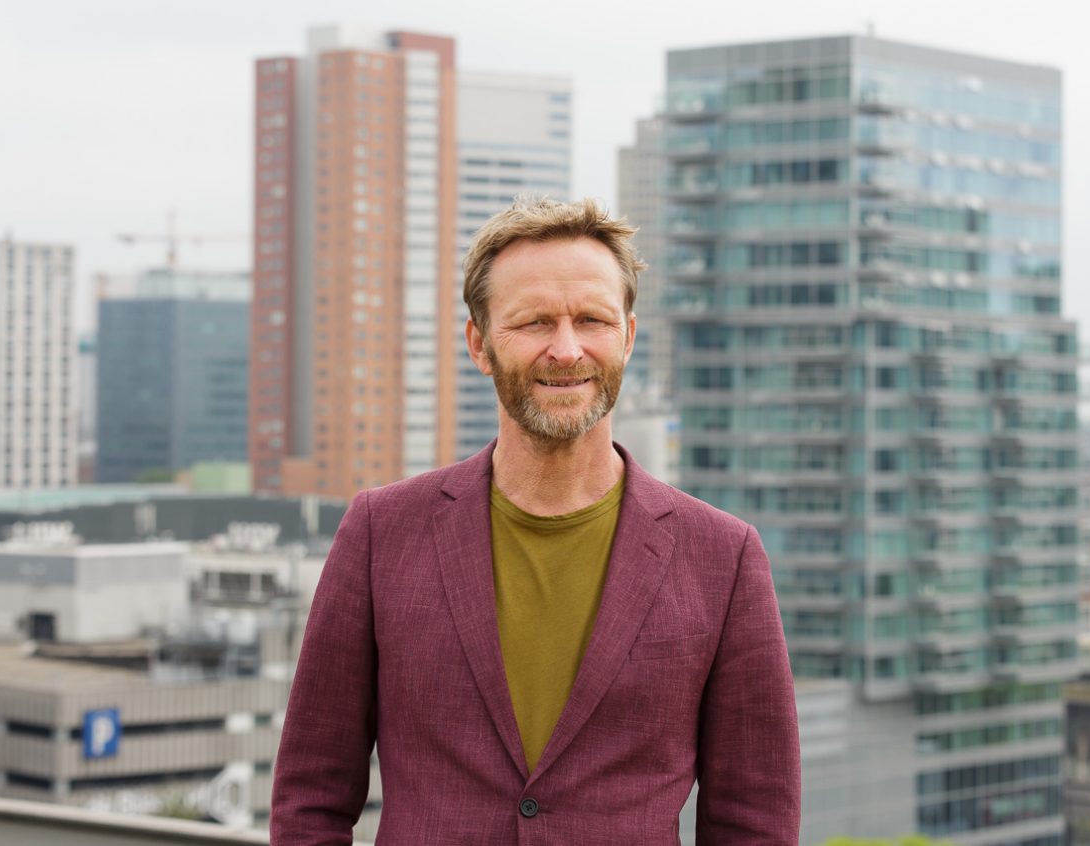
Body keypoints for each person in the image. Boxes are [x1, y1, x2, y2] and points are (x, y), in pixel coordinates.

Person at [271, 197, 800, 845]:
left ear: (629, 337)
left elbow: (756, 820)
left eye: (593, 320)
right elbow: (310, 797)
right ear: (480, 343)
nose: (567, 348)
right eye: (534, 322)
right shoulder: (382, 531)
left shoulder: (724, 556)